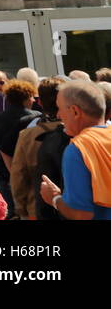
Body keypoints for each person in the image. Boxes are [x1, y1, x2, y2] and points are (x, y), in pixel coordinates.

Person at [40, 80, 110, 220]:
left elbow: (82, 215)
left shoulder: (78, 149)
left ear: (75, 111)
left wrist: (54, 198)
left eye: (60, 108)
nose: (58, 115)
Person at [11, 77, 64, 219]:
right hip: (76, 205)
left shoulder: (27, 135)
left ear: (40, 102)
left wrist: (21, 208)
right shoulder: (80, 129)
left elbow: (18, 174)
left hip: (37, 206)